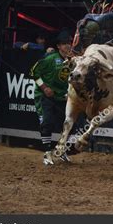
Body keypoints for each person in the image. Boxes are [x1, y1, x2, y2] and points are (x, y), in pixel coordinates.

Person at [30, 30, 73, 165]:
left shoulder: (72, 60)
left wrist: (69, 92)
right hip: (46, 97)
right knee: (47, 123)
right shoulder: (50, 58)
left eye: (69, 43)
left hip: (62, 97)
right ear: (58, 46)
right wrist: (44, 88)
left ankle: (61, 151)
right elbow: (34, 72)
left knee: (67, 125)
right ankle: (47, 153)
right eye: (64, 44)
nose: (67, 46)